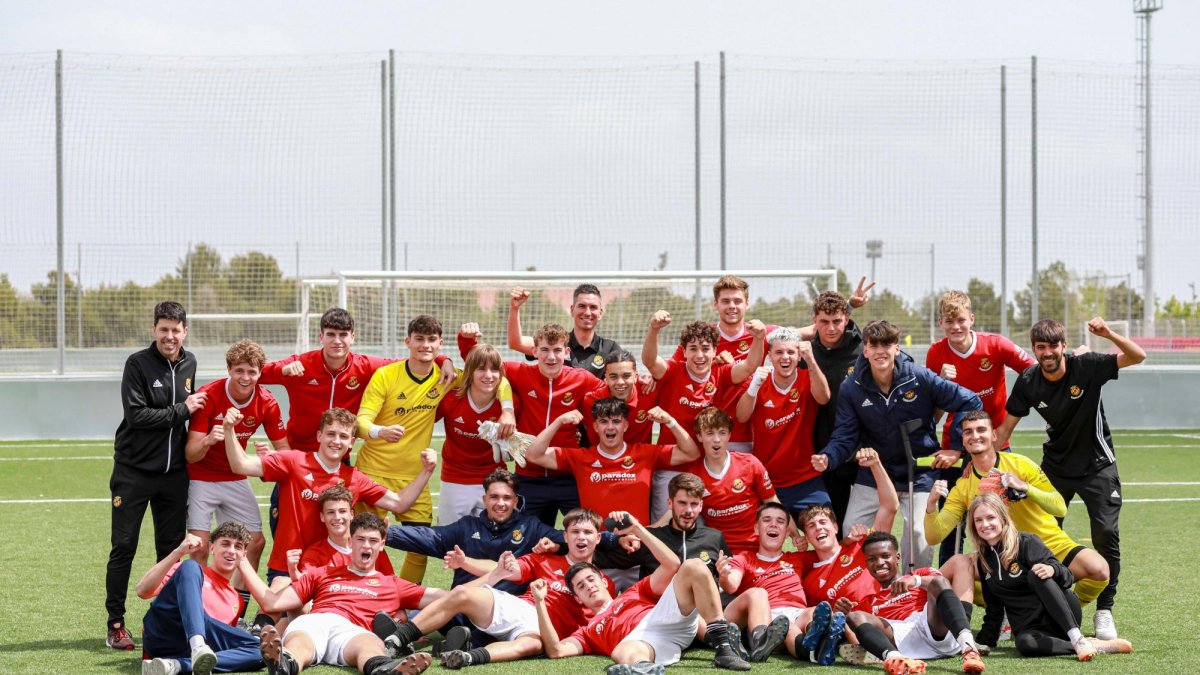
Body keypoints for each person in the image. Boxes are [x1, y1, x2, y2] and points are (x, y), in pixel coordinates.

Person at [993, 317, 1146, 640]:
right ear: (1034, 349)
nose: (1047, 353)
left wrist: (1107, 334)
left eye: (1053, 346)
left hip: (1097, 466)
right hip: (1055, 469)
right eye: (1040, 347)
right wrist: (982, 463)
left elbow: (1137, 356)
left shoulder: (1086, 366)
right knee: (1038, 539)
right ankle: (1033, 607)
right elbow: (1004, 429)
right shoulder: (1029, 380)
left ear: (1064, 346)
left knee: (1105, 533)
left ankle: (1104, 608)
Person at [258, 308, 454, 534]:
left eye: (343, 335)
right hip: (297, 458)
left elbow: (416, 357)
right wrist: (280, 369)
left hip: (338, 460)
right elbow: (253, 373)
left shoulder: (366, 366)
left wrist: (444, 359)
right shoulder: (300, 363)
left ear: (353, 337)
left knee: (337, 527)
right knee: (283, 526)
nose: (337, 341)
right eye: (331, 334)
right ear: (321, 337)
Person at [357, 314, 514, 583]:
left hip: (415, 477)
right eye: (419, 339)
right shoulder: (385, 375)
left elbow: (498, 380)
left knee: (420, 549)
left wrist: (507, 409)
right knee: (367, 543)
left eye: (432, 340)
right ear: (408, 341)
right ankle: (373, 595)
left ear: (440, 344)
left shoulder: (450, 379)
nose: (425, 345)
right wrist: (379, 431)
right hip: (374, 472)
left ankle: (402, 606)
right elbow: (361, 421)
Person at [813, 320, 981, 569]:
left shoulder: (919, 376)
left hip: (921, 470)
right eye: (874, 345)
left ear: (897, 348)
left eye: (887, 344)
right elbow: (845, 435)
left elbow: (970, 401)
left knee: (918, 534)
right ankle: (865, 590)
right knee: (850, 530)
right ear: (866, 350)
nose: (881, 351)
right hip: (875, 472)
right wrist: (828, 456)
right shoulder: (852, 387)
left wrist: (956, 446)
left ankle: (913, 593)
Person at [374, 508, 613, 669]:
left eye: (588, 532)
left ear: (598, 538)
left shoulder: (603, 583)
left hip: (543, 630)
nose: (582, 538)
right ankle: (396, 640)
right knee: (462, 593)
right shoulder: (545, 559)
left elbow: (603, 618)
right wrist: (469, 562)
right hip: (521, 608)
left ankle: (467, 656)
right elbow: (504, 570)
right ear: (565, 536)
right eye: (575, 532)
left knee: (532, 646)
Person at [222, 407, 435, 587]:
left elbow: (399, 503)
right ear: (319, 436)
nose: (336, 441)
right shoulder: (293, 461)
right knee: (274, 615)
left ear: (351, 442)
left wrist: (426, 471)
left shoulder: (355, 478)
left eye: (343, 436)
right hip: (287, 565)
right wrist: (229, 429)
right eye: (331, 434)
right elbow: (240, 465)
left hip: (331, 569)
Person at [925, 410, 1110, 605]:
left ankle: (1064, 611)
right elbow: (934, 536)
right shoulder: (964, 485)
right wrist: (931, 506)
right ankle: (1008, 613)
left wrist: (1025, 488)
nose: (975, 436)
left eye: (981, 430)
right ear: (962, 440)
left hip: (1047, 545)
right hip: (1000, 556)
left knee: (1098, 569)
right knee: (956, 573)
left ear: (994, 435)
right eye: (968, 432)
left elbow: (1059, 508)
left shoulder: (1020, 464)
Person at [534, 512, 751, 675]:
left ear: (602, 579)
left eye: (590, 579)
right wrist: (540, 602)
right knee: (620, 652)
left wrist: (637, 528)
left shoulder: (633, 591)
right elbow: (557, 651)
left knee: (693, 565)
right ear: (577, 598)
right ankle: (645, 669)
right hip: (645, 643)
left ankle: (724, 647)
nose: (588, 586)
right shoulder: (587, 631)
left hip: (663, 619)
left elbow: (672, 564)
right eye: (580, 586)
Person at [108, 300, 206, 650]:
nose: (169, 336)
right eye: (163, 329)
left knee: (171, 550)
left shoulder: (191, 362)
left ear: (184, 332)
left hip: (174, 477)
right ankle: (116, 624)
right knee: (124, 547)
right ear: (154, 330)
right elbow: (136, 416)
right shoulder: (137, 364)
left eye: (175, 330)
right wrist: (182, 409)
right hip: (133, 474)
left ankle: (164, 624)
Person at [239, 513, 441, 675]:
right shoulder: (322, 573)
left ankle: (383, 668)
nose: (366, 545)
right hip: (316, 621)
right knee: (299, 642)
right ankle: (285, 664)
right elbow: (271, 603)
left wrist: (468, 588)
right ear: (350, 541)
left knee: (369, 644)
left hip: (352, 630)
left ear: (382, 544)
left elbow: (446, 599)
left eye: (373, 540)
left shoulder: (392, 584)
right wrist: (242, 561)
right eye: (360, 539)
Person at [925, 290, 1035, 563]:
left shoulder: (996, 345)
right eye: (949, 322)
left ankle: (1008, 572)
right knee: (953, 518)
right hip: (956, 444)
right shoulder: (936, 353)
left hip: (997, 443)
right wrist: (940, 382)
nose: (956, 327)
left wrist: (1009, 421)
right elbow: (934, 413)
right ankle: (948, 584)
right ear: (941, 323)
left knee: (1001, 515)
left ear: (971, 318)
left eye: (961, 320)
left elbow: (1034, 373)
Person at [184, 339, 290, 614]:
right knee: (199, 548)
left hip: (235, 478)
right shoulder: (209, 395)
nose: (246, 377)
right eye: (240, 370)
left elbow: (284, 450)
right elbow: (190, 454)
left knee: (255, 541)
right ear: (229, 369)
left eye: (252, 372)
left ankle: (236, 612)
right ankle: (198, 611)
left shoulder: (266, 401)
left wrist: (270, 461)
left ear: (260, 373)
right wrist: (208, 439)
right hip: (201, 479)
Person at [459, 321, 600, 525]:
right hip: (528, 476)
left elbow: (612, 390)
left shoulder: (582, 378)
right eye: (544, 350)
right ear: (534, 351)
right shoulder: (520, 373)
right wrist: (466, 340)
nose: (551, 357)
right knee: (523, 538)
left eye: (557, 350)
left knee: (585, 531)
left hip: (568, 476)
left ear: (567, 351)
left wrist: (639, 380)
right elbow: (478, 362)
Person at [966, 493, 1133, 660]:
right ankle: (1091, 645)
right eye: (978, 520)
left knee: (1036, 573)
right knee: (1024, 644)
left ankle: (1077, 638)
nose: (985, 524)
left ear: (1003, 518)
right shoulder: (984, 561)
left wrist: (1052, 570)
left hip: (1063, 614)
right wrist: (982, 642)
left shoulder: (1026, 542)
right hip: (1032, 628)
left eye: (990, 517)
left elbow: (1066, 575)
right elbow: (994, 609)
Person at [643, 316, 763, 520]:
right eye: (693, 348)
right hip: (672, 469)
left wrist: (759, 338)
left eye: (706, 348)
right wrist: (654, 329)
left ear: (715, 350)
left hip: (704, 469)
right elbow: (650, 360)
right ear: (684, 351)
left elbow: (750, 366)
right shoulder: (673, 371)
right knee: (665, 529)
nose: (700, 355)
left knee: (701, 531)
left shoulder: (721, 373)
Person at [384, 468, 565, 592]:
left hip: (506, 606)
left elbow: (569, 540)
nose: (500, 503)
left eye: (507, 498)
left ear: (515, 501)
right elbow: (429, 537)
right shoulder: (467, 526)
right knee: (442, 603)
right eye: (494, 497)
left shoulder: (531, 527)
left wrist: (556, 546)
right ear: (485, 499)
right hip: (465, 602)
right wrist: (387, 533)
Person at [525, 398, 700, 525]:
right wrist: (558, 422)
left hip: (639, 543)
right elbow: (534, 455)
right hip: (598, 547)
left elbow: (691, 453)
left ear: (625, 426)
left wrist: (670, 422)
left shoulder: (645, 453)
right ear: (595, 427)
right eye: (603, 422)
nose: (610, 427)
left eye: (616, 421)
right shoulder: (580, 457)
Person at [840, 531, 985, 674]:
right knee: (855, 616)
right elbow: (858, 637)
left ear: (897, 557)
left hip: (933, 627)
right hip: (902, 639)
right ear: (866, 564)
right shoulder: (868, 601)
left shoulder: (920, 574)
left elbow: (942, 585)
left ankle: (969, 648)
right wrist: (841, 613)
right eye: (872, 559)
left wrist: (915, 581)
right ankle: (896, 660)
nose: (879, 563)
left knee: (939, 582)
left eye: (885, 556)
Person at [669, 275, 779, 454]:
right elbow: (671, 369)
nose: (732, 306)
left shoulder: (762, 332)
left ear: (747, 303)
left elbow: (804, 333)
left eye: (737, 301)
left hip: (745, 436)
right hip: (706, 436)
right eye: (725, 301)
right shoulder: (703, 338)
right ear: (716, 304)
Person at [137, 523, 262, 675]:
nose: (231, 551)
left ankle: (176, 666)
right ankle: (198, 646)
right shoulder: (189, 571)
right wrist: (178, 552)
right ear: (212, 548)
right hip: (164, 632)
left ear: (244, 554)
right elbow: (142, 590)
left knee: (260, 650)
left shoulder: (237, 600)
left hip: (182, 652)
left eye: (238, 547)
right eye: (225, 544)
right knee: (191, 565)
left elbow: (217, 636)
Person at [736, 327, 831, 521]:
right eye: (779, 352)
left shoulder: (807, 378)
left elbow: (824, 398)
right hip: (766, 480)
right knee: (766, 536)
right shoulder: (759, 382)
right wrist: (754, 385)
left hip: (805, 479)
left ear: (799, 356)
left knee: (825, 526)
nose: (785, 357)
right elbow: (741, 416)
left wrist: (811, 361)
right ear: (769, 355)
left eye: (791, 352)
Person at [717, 502, 828, 663]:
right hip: (765, 616)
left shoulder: (799, 558)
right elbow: (731, 584)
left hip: (796, 614)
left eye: (780, 522)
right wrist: (725, 575)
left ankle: (811, 646)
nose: (774, 524)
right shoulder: (745, 558)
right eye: (767, 520)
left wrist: (846, 540)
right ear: (756, 528)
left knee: (813, 612)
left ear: (787, 532)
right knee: (759, 594)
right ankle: (761, 641)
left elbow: (832, 553)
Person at [797, 448, 899, 616]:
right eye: (811, 525)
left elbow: (890, 507)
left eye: (823, 522)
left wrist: (876, 465)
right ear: (807, 537)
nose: (819, 527)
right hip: (856, 630)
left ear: (836, 527)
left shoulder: (863, 546)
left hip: (892, 611)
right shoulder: (810, 582)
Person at [803, 287, 870, 533]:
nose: (831, 328)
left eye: (837, 321)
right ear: (814, 321)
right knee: (838, 523)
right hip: (825, 450)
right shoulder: (806, 352)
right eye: (824, 322)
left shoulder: (862, 349)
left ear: (847, 319)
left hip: (863, 448)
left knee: (867, 524)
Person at [593, 472, 731, 586]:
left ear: (701, 506)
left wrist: (725, 576)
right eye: (682, 503)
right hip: (658, 612)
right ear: (670, 503)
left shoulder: (715, 538)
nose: (688, 510)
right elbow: (598, 557)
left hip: (701, 613)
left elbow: (730, 582)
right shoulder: (650, 539)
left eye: (694, 504)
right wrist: (614, 540)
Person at [674, 407, 777, 554]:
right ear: (699, 436)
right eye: (710, 433)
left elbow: (772, 501)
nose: (717, 439)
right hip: (719, 551)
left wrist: (794, 533)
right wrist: (644, 532)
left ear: (729, 435)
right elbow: (675, 513)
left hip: (757, 548)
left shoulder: (750, 463)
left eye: (722, 433)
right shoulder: (693, 476)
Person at [434, 343, 511, 524]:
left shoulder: (509, 403)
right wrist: (442, 359)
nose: (489, 376)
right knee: (449, 540)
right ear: (469, 372)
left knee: (496, 541)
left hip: (495, 479)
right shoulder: (450, 399)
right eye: (481, 369)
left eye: (494, 370)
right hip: (455, 479)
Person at [507, 284, 624, 377]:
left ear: (600, 313)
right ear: (572, 310)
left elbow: (628, 374)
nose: (587, 312)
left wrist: (641, 379)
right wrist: (514, 308)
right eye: (582, 306)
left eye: (593, 307)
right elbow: (516, 343)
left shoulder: (610, 348)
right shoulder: (556, 341)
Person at [580, 350, 658, 447]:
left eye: (626, 376)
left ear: (635, 376)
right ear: (606, 378)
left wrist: (655, 378)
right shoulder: (591, 401)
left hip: (640, 460)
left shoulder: (649, 391)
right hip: (601, 460)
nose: (620, 382)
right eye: (613, 377)